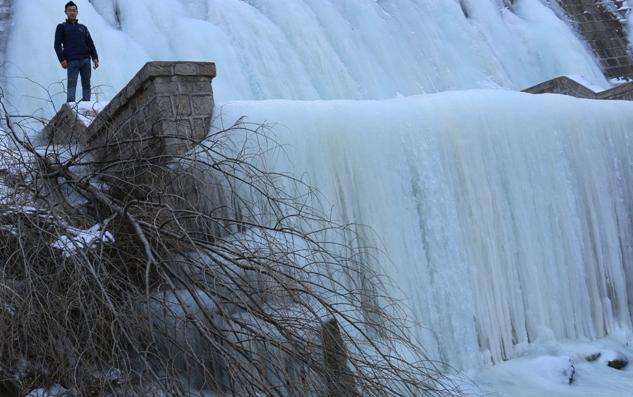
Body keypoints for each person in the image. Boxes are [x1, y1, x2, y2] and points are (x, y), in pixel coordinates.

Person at [54, 1, 99, 103]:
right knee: (71, 84)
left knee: (86, 84)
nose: (72, 12)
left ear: (77, 12)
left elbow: (91, 44)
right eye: (70, 10)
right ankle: (71, 106)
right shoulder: (62, 27)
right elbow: (57, 45)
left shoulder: (83, 27)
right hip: (72, 61)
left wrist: (95, 58)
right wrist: (62, 59)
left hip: (86, 60)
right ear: (65, 12)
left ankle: (87, 105)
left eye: (74, 10)